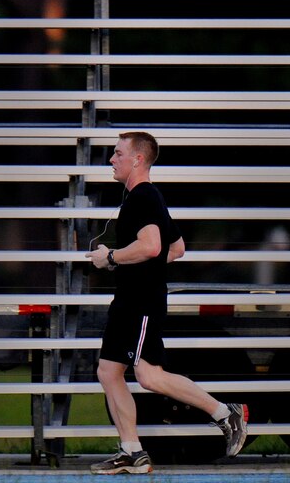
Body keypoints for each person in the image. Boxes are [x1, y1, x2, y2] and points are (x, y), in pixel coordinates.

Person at [84, 132, 248, 475]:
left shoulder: (143, 197)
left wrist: (110, 257)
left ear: (137, 160)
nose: (112, 160)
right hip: (128, 299)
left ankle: (225, 412)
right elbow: (177, 248)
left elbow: (153, 247)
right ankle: (132, 451)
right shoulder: (146, 199)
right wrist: (140, 266)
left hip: (141, 301)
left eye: (117, 154)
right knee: (108, 371)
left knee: (147, 375)